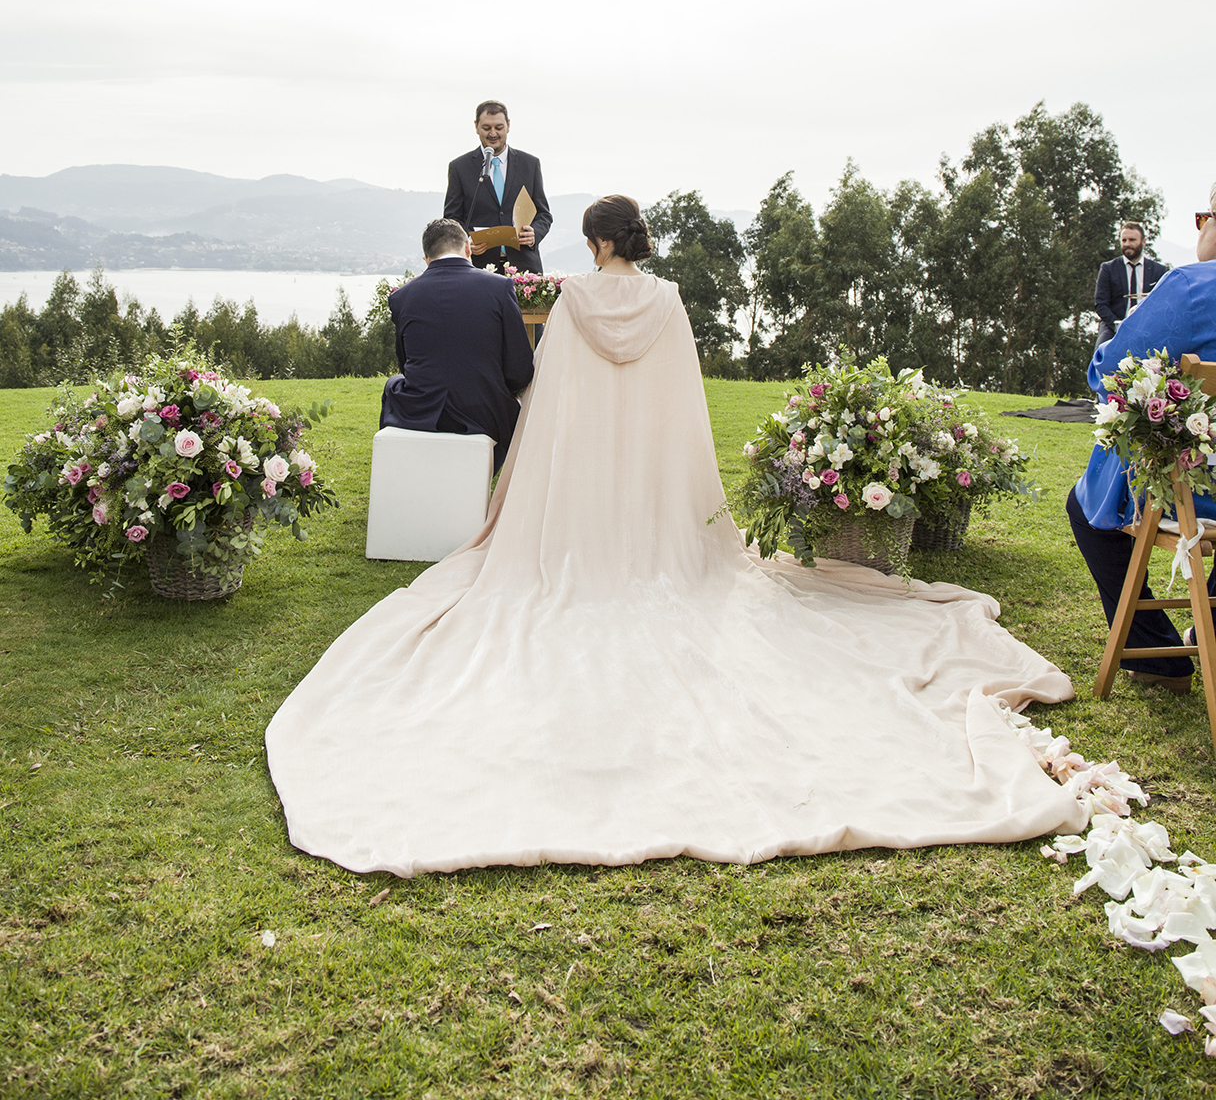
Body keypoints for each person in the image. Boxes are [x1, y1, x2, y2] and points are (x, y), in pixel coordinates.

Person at [266, 195, 1083, 878]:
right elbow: (681, 401)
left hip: (578, 508)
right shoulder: (666, 299)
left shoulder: (578, 298)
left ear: (596, 242)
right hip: (659, 502)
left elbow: (552, 396)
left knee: (535, 580)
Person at [1067, 184, 1216, 690]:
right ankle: (1211, 628)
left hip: (1196, 492)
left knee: (1086, 508)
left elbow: (1110, 372)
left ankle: (1161, 660)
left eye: (1203, 218)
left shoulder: (1192, 288)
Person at [380, 218, 534, 472]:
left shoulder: (402, 297)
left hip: (421, 410)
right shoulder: (499, 287)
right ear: (467, 248)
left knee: (392, 384)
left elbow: (405, 363)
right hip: (486, 412)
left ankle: (403, 471)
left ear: (427, 259)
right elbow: (519, 368)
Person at [444, 100, 552, 275]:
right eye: (486, 128)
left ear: (508, 126)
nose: (493, 133)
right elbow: (451, 219)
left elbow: (544, 214)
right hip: (478, 267)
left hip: (524, 267)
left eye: (499, 127)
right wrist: (465, 242)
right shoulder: (460, 167)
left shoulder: (530, 164)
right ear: (476, 127)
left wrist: (534, 234)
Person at [1094, 223, 1169, 347]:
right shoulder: (1108, 268)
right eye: (1124, 240)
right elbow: (1101, 304)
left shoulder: (1159, 270)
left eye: (1132, 240)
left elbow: (1163, 304)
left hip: (1148, 326)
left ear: (1143, 242)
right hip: (1114, 325)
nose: (1127, 244)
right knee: (1100, 354)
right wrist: (1119, 326)